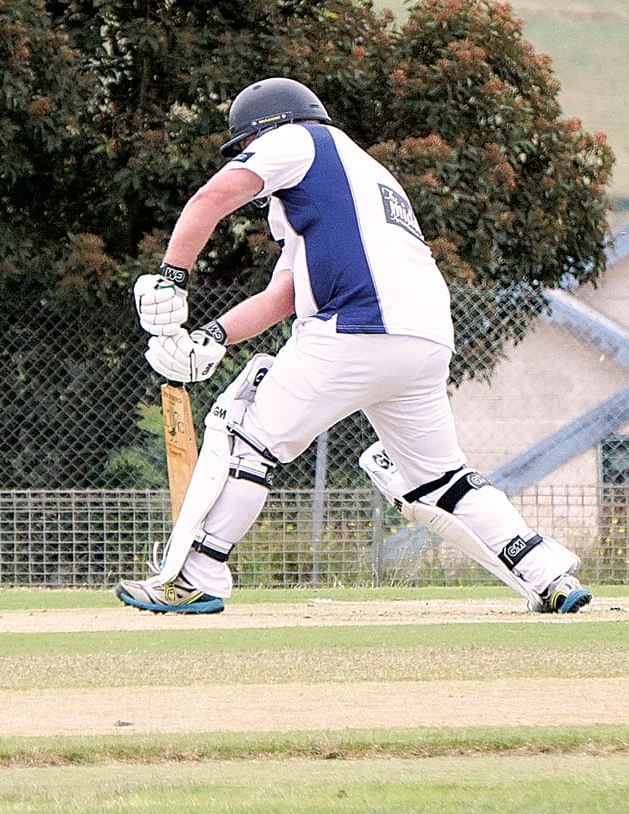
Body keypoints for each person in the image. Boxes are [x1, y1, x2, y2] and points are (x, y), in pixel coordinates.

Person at [117, 76, 592, 615]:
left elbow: (211, 197)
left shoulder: (297, 140)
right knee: (441, 478)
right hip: (425, 342)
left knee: (247, 436)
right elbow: (284, 293)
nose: (247, 159)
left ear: (267, 129)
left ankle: (196, 575)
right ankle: (547, 575)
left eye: (245, 148)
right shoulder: (359, 180)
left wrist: (171, 275)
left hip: (354, 328)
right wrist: (214, 335)